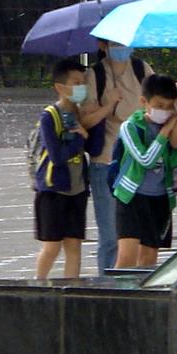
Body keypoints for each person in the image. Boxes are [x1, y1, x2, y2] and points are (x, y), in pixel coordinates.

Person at [78, 39, 154, 274]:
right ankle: (108, 289)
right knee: (111, 236)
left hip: (140, 164)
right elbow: (85, 121)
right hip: (106, 163)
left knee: (142, 236)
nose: (121, 47)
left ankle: (136, 288)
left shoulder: (143, 70)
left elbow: (159, 108)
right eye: (114, 42)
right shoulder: (95, 75)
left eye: (125, 41)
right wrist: (108, 104)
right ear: (103, 45)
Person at [112, 74, 177, 268]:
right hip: (132, 197)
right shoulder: (131, 127)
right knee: (126, 257)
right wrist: (165, 133)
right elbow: (145, 160)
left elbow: (172, 162)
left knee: (149, 258)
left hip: (159, 199)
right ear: (144, 101)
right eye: (159, 105)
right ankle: (120, 295)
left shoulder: (164, 127)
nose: (164, 111)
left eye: (169, 106)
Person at [33, 60, 104, 279]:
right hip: (54, 189)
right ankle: (37, 283)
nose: (81, 87)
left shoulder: (80, 113)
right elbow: (58, 156)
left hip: (77, 188)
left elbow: (94, 147)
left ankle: (71, 288)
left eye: (83, 83)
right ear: (60, 87)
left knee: (74, 244)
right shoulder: (49, 116)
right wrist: (78, 139)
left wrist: (96, 119)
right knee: (52, 246)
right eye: (76, 83)